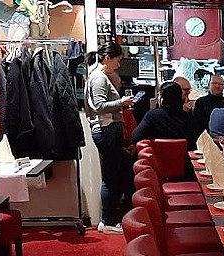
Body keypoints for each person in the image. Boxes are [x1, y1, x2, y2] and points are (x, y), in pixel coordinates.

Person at [85, 42, 134, 235]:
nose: (118, 65)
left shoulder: (97, 76)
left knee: (113, 175)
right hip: (107, 130)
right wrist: (121, 102)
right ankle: (107, 220)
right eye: (117, 61)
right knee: (111, 177)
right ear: (107, 58)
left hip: (107, 130)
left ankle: (109, 219)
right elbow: (99, 106)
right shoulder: (99, 78)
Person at [132, 81, 199, 149]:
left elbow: (136, 136)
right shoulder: (188, 118)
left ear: (161, 99)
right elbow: (194, 142)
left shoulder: (152, 116)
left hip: (157, 155)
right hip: (183, 155)